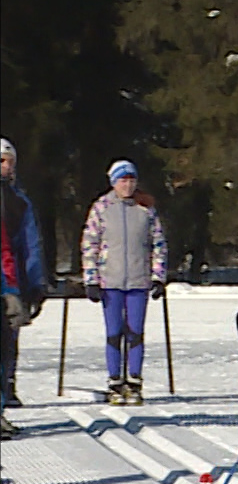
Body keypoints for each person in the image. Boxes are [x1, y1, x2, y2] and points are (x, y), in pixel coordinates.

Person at [82, 160, 167, 406]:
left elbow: (158, 244)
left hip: (138, 280)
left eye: (131, 180)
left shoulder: (145, 209)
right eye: (123, 180)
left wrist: (158, 276)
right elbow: (90, 244)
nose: (128, 185)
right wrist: (91, 278)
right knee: (113, 332)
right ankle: (114, 382)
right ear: (113, 182)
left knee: (135, 332)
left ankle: (135, 381)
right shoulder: (101, 207)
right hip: (110, 280)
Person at [2, 137, 48, 438]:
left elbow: (31, 244)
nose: (5, 168)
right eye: (1, 161)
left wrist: (36, 284)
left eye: (9, 162)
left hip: (10, 285)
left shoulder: (18, 200)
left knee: (5, 350)